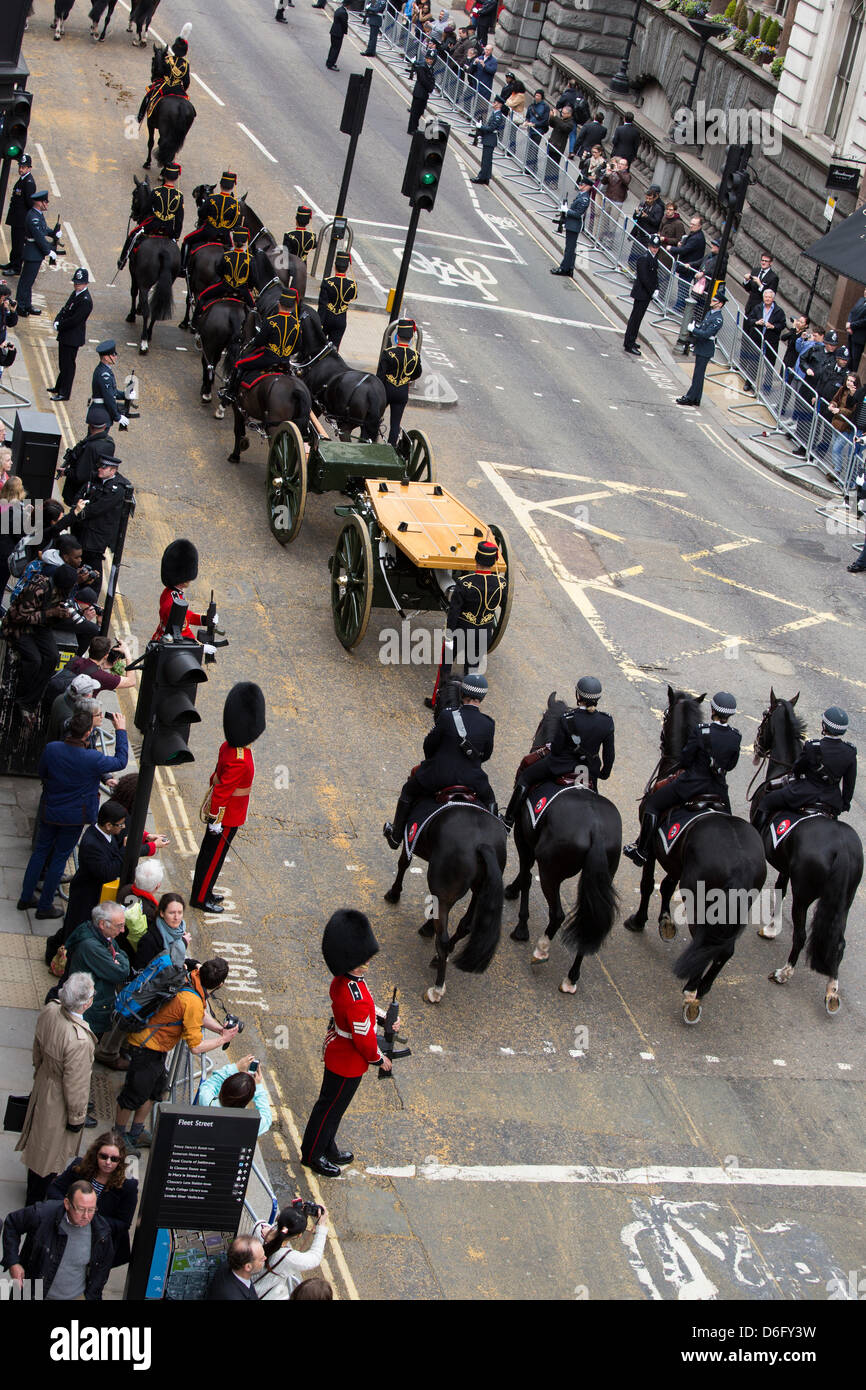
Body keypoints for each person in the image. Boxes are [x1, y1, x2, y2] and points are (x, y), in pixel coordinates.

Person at [300, 910, 395, 1176]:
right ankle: (312, 1154)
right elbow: (363, 1039)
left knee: (333, 1108)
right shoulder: (354, 994)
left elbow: (364, 1006)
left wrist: (384, 1018)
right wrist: (379, 1059)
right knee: (329, 1109)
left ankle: (327, 1145)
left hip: (340, 1051)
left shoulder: (346, 981)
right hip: (347, 1061)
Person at [115, 957, 238, 1154]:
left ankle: (135, 1132)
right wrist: (223, 1040)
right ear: (220, 984)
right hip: (146, 1048)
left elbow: (198, 1015)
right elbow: (196, 1047)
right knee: (131, 1095)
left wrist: (220, 1030)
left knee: (155, 1091)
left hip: (157, 1048)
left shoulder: (192, 976)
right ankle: (118, 1138)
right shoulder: (193, 1002)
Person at [17, 710, 129, 918]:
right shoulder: (93, 758)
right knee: (59, 858)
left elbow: (43, 773)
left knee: (40, 852)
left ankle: (25, 898)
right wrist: (120, 730)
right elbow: (121, 761)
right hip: (75, 817)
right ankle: (44, 907)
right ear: (88, 733)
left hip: (50, 810)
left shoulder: (52, 749)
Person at [623, 692, 741, 865]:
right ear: (730, 714)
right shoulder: (735, 736)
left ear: (712, 710)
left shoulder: (701, 731)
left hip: (691, 785)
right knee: (729, 823)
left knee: (652, 804)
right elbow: (731, 765)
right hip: (718, 789)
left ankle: (641, 852)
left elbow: (686, 759)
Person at [385, 670, 496, 847]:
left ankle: (396, 836)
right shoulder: (488, 723)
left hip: (439, 775)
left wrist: (434, 761)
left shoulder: (447, 715)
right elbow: (486, 754)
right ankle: (496, 837)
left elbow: (428, 746)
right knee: (490, 800)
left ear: (462, 694)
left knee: (408, 790)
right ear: (482, 698)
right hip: (473, 779)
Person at [15, 974, 96, 1205]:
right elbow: (77, 1085)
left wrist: (40, 1073)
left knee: (39, 1147)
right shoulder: (79, 1040)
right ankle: (37, 1203)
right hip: (59, 1098)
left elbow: (37, 1048)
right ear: (86, 1002)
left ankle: (34, 1194)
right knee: (50, 1156)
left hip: (44, 1082)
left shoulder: (50, 1010)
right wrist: (77, 1118)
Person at [501, 676, 616, 829]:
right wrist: (604, 773)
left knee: (526, 777)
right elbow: (609, 754)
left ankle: (508, 820)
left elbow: (556, 750)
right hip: (588, 772)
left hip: (561, 766)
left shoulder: (567, 718)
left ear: (578, 695)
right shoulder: (606, 721)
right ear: (598, 698)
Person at [190, 682, 266, 913]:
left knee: (212, 857)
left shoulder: (230, 747)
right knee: (213, 859)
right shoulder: (240, 758)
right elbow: (222, 790)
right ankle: (200, 898)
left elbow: (217, 775)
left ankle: (206, 890)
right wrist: (216, 819)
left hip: (229, 812)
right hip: (227, 815)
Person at [2, 1180, 114, 1301]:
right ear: (67, 1203)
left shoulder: (101, 1231)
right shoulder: (43, 1213)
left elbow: (102, 1270)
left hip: (75, 1296)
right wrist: (13, 1262)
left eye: (91, 1209)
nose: (86, 1216)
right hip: (32, 1287)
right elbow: (12, 1223)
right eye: (81, 1209)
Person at [2, 564, 85, 720]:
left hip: (40, 627)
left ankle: (30, 701)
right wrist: (49, 613)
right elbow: (17, 617)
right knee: (34, 660)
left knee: (53, 657)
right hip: (19, 628)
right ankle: (20, 696)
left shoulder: (63, 592)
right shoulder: (38, 589)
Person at [46, 1130, 139, 1267]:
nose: (108, 1162)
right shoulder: (79, 1167)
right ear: (96, 1154)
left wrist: (89, 1218)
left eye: (114, 1159)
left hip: (98, 1243)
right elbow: (54, 1189)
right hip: (67, 1230)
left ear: (120, 1160)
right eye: (103, 1156)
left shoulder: (128, 1186)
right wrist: (70, 1210)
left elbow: (123, 1223)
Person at [428, 538, 503, 705]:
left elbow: (454, 613)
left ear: (476, 559)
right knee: (470, 671)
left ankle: (438, 702)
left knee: (445, 669)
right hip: (483, 634)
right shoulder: (501, 584)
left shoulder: (464, 583)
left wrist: (448, 636)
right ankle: (465, 704)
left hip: (460, 632)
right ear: (493, 561)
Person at [756, 708, 856, 828]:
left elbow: (797, 769)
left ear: (824, 726)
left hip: (803, 794)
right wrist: (844, 804)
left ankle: (754, 836)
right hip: (831, 800)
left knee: (767, 801)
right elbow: (849, 783)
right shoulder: (850, 752)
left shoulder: (812, 747)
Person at [59, 798, 128, 940]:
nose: (123, 827)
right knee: (76, 929)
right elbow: (107, 872)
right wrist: (123, 852)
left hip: (94, 892)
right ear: (108, 825)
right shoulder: (92, 843)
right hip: (85, 895)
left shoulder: (107, 834)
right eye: (120, 825)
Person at [220, 288, 301, 405]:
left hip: (267, 359)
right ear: (293, 307)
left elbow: (259, 342)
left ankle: (230, 394)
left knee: (238, 364)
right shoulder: (297, 324)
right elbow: (298, 346)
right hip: (285, 362)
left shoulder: (271, 321)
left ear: (279, 304)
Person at [63, 902, 132, 1038]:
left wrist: (118, 956)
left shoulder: (100, 935)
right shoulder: (91, 947)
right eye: (119, 926)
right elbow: (121, 972)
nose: (123, 930)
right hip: (92, 1009)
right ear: (102, 924)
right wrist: (119, 958)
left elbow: (118, 951)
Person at [70, 454, 132, 589]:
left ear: (113, 471)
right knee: (79, 563)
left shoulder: (117, 490)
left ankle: (90, 597)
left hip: (96, 537)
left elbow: (97, 509)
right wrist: (77, 506)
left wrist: (79, 511)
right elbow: (80, 494)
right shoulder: (96, 478)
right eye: (100, 466)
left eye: (104, 467)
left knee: (93, 568)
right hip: (84, 531)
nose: (100, 469)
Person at [253, 1203, 330, 1299]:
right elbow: (315, 1258)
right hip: (259, 1295)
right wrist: (321, 1226)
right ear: (299, 1235)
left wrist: (294, 1213)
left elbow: (278, 1227)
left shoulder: (258, 1226)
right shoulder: (287, 1258)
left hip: (244, 1280)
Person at [117, 163, 184, 271]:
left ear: (165, 175)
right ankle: (181, 268)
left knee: (132, 235)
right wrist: (176, 236)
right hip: (169, 231)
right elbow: (179, 219)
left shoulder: (156, 191)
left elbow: (145, 210)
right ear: (176, 178)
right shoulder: (179, 195)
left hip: (152, 226)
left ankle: (122, 260)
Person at [197, 1054, 273, 1136]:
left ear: (223, 1087)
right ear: (249, 1099)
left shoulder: (207, 1102)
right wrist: (258, 1086)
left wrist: (236, 1067)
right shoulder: (251, 1125)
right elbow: (266, 1116)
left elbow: (210, 1084)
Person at [675, 288, 726, 406]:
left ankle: (690, 397)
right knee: (698, 374)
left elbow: (707, 333)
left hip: (706, 348)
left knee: (698, 375)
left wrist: (694, 330)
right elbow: (703, 327)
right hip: (701, 345)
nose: (712, 301)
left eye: (715, 300)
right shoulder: (710, 313)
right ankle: (696, 398)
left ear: (720, 304)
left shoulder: (718, 318)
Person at [16, 191, 64, 318]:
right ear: (39, 202)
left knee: (29, 281)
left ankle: (27, 304)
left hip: (34, 253)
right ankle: (20, 306)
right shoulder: (33, 218)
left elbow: (44, 229)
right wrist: (49, 251)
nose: (47, 204)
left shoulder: (38, 215)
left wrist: (53, 233)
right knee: (26, 281)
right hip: (32, 253)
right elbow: (39, 237)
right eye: (45, 201)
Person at [194, 227, 255, 323]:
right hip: (243, 291)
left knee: (202, 296)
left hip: (224, 287)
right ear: (245, 242)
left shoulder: (226, 255)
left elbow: (219, 271)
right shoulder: (251, 259)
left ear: (234, 241)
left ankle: (195, 323)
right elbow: (253, 278)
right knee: (255, 309)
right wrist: (249, 287)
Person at [49, 268, 93, 403]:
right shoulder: (76, 293)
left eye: (79, 283)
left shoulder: (85, 300)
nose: (76, 285)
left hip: (72, 337)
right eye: (75, 282)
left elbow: (75, 320)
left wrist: (60, 326)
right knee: (63, 363)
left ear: (86, 283)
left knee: (68, 366)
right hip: (65, 335)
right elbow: (65, 309)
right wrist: (57, 320)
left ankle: (64, 393)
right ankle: (58, 387)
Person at [377, 318, 423, 446]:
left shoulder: (388, 353)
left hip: (386, 390)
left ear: (397, 336)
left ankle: (371, 440)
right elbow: (417, 373)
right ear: (410, 339)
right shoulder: (415, 355)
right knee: (395, 424)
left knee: (375, 418)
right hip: (402, 391)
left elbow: (380, 375)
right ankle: (390, 447)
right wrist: (406, 379)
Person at [59, 413, 116, 506]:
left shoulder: (90, 446)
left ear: (89, 426)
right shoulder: (110, 442)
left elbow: (80, 475)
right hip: (95, 490)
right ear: (105, 426)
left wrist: (66, 472)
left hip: (79, 491)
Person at [137, 30, 191, 121]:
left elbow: (160, 72)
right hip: (178, 88)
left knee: (148, 95)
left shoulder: (167, 59)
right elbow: (186, 81)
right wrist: (182, 89)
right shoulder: (186, 64)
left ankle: (140, 116)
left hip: (165, 86)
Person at [741, 287, 786, 394]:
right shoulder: (757, 307)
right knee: (753, 362)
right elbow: (749, 320)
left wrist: (773, 326)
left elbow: (782, 324)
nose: (767, 299)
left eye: (770, 297)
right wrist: (756, 322)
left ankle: (766, 387)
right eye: (766, 297)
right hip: (757, 339)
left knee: (769, 365)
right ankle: (749, 383)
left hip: (771, 342)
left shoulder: (779, 311)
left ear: (773, 299)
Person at [623, 234, 660, 356]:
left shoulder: (653, 258)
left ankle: (632, 340)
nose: (655, 249)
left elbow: (654, 276)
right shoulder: (644, 258)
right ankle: (628, 344)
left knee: (638, 320)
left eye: (657, 247)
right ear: (649, 246)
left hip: (646, 294)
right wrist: (652, 291)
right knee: (635, 319)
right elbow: (644, 278)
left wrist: (657, 288)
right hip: (641, 293)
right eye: (653, 246)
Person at [550, 177, 593, 276]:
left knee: (569, 249)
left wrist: (567, 210)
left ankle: (564, 268)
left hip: (574, 226)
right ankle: (569, 268)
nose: (580, 185)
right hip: (571, 224)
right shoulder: (581, 195)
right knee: (571, 248)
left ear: (587, 187)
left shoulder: (585, 198)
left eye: (582, 184)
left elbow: (578, 214)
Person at [2, 153, 36, 275]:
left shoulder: (29, 183)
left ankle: (16, 268)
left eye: (24, 167)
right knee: (15, 242)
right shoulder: (23, 180)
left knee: (19, 244)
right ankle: (12, 262)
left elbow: (29, 203)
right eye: (20, 166)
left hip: (21, 220)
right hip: (16, 218)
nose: (21, 169)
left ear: (29, 168)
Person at [317, 250, 357, 350]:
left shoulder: (327, 282)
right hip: (341, 319)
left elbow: (322, 305)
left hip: (327, 318)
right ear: (347, 268)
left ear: (335, 266)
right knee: (334, 349)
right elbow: (354, 296)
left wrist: (319, 322)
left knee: (319, 346)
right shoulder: (352, 284)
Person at [86, 341, 131, 429]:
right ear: (106, 357)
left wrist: (125, 395)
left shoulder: (104, 370)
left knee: (95, 441)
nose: (115, 357)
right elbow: (109, 397)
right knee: (97, 441)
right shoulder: (104, 375)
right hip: (101, 414)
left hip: (101, 411)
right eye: (113, 355)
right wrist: (117, 416)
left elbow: (112, 392)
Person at [828, 372, 866, 473]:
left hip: (848, 428)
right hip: (837, 423)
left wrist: (839, 411)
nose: (849, 383)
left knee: (839, 450)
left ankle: (838, 471)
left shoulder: (859, 391)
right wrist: (833, 405)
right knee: (839, 450)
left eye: (852, 381)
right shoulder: (843, 389)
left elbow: (852, 411)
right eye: (848, 380)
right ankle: (839, 470)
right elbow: (837, 400)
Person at [671, 214, 706, 310]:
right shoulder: (694, 234)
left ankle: (680, 306)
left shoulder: (697, 238)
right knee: (682, 286)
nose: (691, 226)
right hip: (687, 266)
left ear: (699, 226)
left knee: (683, 286)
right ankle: (681, 305)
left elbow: (685, 250)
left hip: (688, 267)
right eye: (691, 224)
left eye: (694, 224)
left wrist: (672, 248)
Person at [407, 50, 437, 133]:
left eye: (431, 59)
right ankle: (412, 129)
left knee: (420, 112)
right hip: (419, 92)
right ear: (426, 58)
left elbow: (431, 79)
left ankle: (414, 127)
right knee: (415, 112)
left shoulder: (430, 68)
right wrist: (430, 88)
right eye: (428, 58)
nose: (430, 60)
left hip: (424, 94)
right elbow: (423, 80)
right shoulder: (422, 67)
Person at [742, 252, 779, 317]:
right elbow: (748, 288)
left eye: (766, 261)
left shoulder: (773, 277)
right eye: (762, 260)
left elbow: (770, 296)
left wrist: (760, 284)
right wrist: (746, 280)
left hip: (760, 310)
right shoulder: (755, 271)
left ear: (770, 263)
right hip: (749, 307)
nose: (763, 262)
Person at [523, 90, 550, 170]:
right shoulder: (532, 105)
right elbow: (528, 116)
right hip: (530, 129)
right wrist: (527, 121)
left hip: (539, 130)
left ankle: (532, 168)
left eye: (538, 96)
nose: (536, 97)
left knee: (534, 148)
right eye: (536, 95)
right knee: (530, 147)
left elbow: (545, 120)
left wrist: (535, 124)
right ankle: (528, 166)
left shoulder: (545, 107)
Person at [545, 103, 574, 174]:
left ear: (569, 114)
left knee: (554, 164)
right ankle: (546, 178)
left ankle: (553, 180)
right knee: (548, 162)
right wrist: (551, 117)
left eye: (564, 113)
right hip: (552, 142)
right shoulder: (561, 119)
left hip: (559, 146)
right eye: (562, 113)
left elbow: (563, 127)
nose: (562, 114)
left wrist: (555, 117)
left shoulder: (570, 123)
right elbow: (552, 124)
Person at [845, 292, 866, 372]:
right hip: (851, 333)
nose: (865, 292)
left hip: (859, 337)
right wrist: (848, 323)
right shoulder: (861, 300)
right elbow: (852, 312)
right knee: (848, 355)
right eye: (865, 289)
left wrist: (851, 325)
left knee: (855, 359)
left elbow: (864, 321)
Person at [326, 2, 349, 69]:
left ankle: (329, 62)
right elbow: (344, 23)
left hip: (333, 31)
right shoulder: (344, 13)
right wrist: (345, 31)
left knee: (332, 47)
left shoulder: (339, 9)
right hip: (338, 33)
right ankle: (331, 64)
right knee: (336, 49)